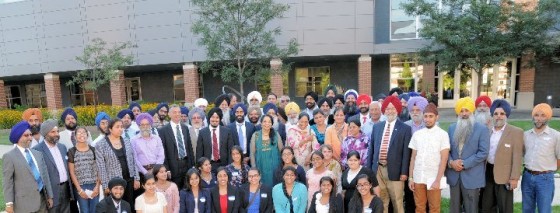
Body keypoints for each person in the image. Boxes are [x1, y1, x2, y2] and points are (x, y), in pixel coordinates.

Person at [366, 95, 412, 213]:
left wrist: (404, 172)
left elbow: (407, 153)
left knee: (397, 201)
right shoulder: (377, 127)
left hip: (396, 171)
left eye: (392, 108)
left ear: (397, 109)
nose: (390, 111)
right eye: (387, 108)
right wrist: (369, 170)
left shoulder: (405, 128)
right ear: (384, 110)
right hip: (378, 170)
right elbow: (371, 149)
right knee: (381, 201)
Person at [479, 99, 524, 213]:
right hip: (488, 173)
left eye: (502, 113)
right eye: (496, 113)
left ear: (506, 115)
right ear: (492, 115)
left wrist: (514, 178)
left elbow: (517, 156)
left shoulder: (516, 132)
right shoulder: (487, 131)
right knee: (487, 206)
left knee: (505, 207)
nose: (499, 116)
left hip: (505, 176)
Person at [446, 97, 489, 213]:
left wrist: (464, 163)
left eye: (467, 110)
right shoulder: (451, 128)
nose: (464, 114)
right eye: (461, 111)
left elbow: (483, 152)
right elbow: (446, 150)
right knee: (454, 208)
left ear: (472, 111)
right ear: (458, 113)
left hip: (472, 175)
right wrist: (451, 162)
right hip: (454, 175)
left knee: (471, 208)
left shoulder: (482, 129)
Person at [3, 121, 54, 213]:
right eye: (26, 135)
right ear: (18, 137)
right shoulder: (9, 156)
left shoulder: (38, 154)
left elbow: (45, 176)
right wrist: (9, 204)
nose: (30, 138)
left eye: (31, 135)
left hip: (42, 201)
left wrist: (50, 196)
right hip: (23, 205)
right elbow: (8, 182)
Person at [407, 103, 449, 213]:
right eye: (425, 116)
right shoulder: (417, 134)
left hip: (433, 177)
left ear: (437, 117)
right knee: (419, 208)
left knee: (434, 208)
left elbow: (444, 160)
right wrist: (411, 178)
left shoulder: (443, 135)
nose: (427, 119)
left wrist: (438, 180)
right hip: (418, 177)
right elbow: (413, 158)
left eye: (431, 116)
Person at [522, 103, 560, 213]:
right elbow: (523, 153)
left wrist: (548, 171)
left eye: (543, 115)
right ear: (533, 116)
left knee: (544, 210)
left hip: (545, 179)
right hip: (527, 177)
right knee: (527, 209)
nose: (539, 119)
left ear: (548, 117)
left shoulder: (556, 136)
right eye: (536, 115)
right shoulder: (526, 135)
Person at [95, 118, 140, 207]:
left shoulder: (127, 141)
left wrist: (136, 178)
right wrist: (105, 185)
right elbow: (101, 167)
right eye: (117, 127)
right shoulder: (101, 144)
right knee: (115, 207)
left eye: (121, 127)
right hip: (113, 183)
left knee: (129, 205)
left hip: (129, 180)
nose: (120, 129)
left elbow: (133, 160)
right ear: (110, 129)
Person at [34, 119, 73, 213]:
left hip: (66, 188)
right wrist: (47, 195)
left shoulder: (62, 147)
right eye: (53, 132)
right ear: (45, 134)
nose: (57, 134)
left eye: (57, 131)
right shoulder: (37, 150)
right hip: (51, 191)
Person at [158, 104, 195, 189]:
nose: (177, 114)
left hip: (186, 164)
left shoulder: (185, 128)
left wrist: (192, 165)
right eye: (174, 112)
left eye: (179, 112)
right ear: (169, 114)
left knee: (188, 189)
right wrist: (166, 169)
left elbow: (189, 148)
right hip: (173, 166)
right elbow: (163, 151)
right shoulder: (163, 131)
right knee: (175, 191)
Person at [68, 126, 101, 213]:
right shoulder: (72, 151)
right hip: (80, 186)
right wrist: (79, 190)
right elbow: (72, 172)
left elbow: (99, 169)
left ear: (87, 135)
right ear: (75, 137)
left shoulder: (93, 150)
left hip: (94, 185)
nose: (81, 134)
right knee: (84, 211)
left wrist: (97, 187)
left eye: (84, 132)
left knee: (94, 210)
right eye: (79, 133)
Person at [197, 107, 236, 172]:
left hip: (224, 165)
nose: (214, 119)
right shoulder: (202, 132)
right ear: (209, 118)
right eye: (212, 117)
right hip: (208, 166)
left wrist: (229, 166)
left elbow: (230, 150)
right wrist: (200, 168)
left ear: (220, 119)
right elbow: (199, 152)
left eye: (217, 117)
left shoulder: (227, 131)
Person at [251, 115, 284, 186]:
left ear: (272, 124)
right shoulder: (255, 135)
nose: (267, 124)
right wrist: (254, 168)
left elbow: (282, 151)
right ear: (261, 123)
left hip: (275, 167)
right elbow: (252, 153)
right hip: (260, 167)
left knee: (275, 185)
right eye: (265, 121)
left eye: (269, 122)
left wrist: (282, 166)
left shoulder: (276, 134)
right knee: (263, 188)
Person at [132, 113, 165, 181]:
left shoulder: (157, 138)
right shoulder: (133, 140)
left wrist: (155, 170)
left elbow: (161, 155)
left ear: (150, 125)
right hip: (141, 173)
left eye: (147, 124)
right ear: (139, 126)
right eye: (143, 125)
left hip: (157, 172)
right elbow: (135, 159)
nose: (145, 127)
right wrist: (146, 172)